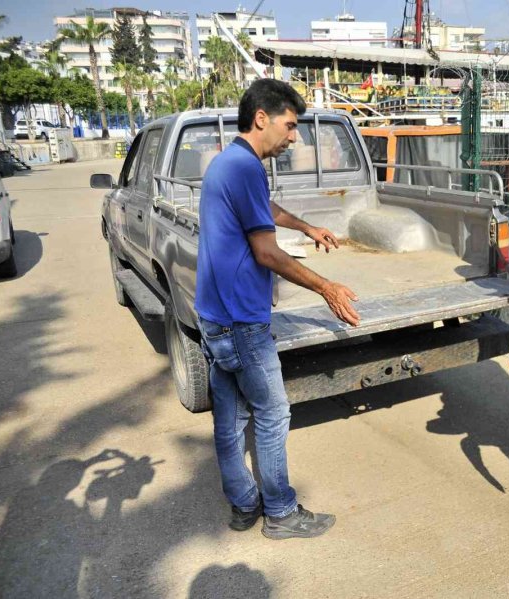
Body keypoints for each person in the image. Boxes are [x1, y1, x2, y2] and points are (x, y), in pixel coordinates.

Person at [195, 79, 361, 540]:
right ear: (262, 118)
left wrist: (307, 226)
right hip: (243, 322)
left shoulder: (228, 162)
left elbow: (261, 208)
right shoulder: (245, 167)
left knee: (231, 421)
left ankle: (244, 505)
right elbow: (267, 253)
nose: (294, 138)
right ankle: (283, 515)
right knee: (271, 414)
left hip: (213, 316)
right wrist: (326, 287)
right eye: (290, 126)